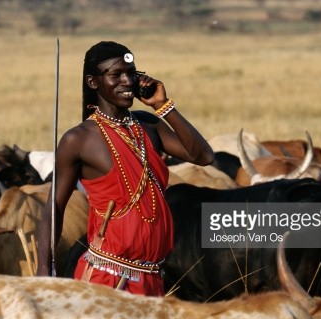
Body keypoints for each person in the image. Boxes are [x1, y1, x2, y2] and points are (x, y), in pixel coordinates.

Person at [36, 41, 214, 296]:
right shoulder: (80, 139)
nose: (128, 81)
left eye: (131, 72)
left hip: (153, 278)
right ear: (93, 82)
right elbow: (54, 209)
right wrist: (44, 272)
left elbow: (204, 156)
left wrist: (163, 106)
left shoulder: (148, 126)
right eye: (115, 75)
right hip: (106, 279)